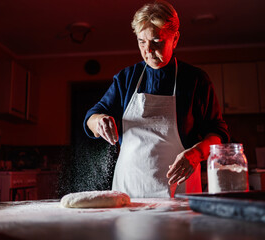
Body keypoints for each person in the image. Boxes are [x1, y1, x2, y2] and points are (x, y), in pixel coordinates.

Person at [83, 0, 229, 198]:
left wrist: (195, 154)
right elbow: (91, 117)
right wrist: (99, 121)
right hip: (129, 190)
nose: (148, 50)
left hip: (179, 192)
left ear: (175, 39)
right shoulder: (127, 78)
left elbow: (218, 133)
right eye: (141, 42)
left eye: (156, 41)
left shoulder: (195, 80)